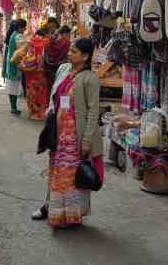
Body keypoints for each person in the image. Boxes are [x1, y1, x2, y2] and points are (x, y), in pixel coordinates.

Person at [33, 38, 104, 229]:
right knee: (58, 174)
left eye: (74, 51)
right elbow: (57, 98)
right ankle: (55, 211)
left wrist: (87, 140)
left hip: (75, 137)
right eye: (70, 50)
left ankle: (71, 215)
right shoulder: (66, 71)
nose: (69, 53)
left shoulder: (90, 79)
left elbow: (93, 112)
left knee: (72, 176)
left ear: (85, 56)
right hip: (60, 133)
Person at [22, 28, 51, 121]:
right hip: (40, 73)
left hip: (30, 72)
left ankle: (32, 112)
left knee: (31, 92)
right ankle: (39, 113)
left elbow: (23, 55)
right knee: (41, 93)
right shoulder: (46, 43)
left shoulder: (30, 42)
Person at [3, 19, 28, 116]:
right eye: (24, 27)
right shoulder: (18, 36)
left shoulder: (13, 34)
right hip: (15, 64)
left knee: (12, 87)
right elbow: (23, 49)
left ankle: (13, 107)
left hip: (11, 63)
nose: (25, 29)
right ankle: (13, 108)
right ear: (19, 28)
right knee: (14, 87)